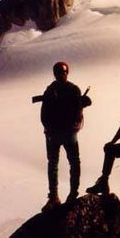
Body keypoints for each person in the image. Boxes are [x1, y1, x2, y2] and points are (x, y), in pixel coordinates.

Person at [40, 61, 92, 212]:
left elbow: (44, 114)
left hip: (57, 134)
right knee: (69, 163)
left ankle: (60, 196)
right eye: (59, 72)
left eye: (61, 72)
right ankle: (65, 195)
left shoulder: (52, 90)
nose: (60, 75)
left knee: (57, 164)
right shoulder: (70, 89)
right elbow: (76, 111)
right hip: (64, 133)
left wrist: (49, 129)